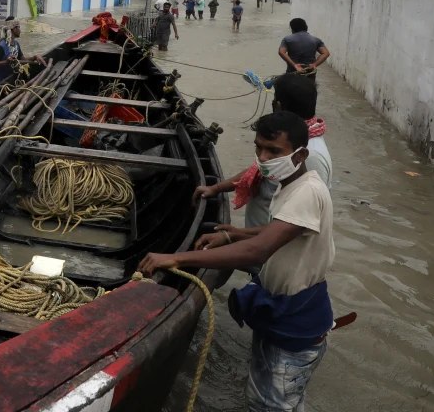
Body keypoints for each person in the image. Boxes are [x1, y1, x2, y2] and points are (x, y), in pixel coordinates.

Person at [140, 111, 335, 412]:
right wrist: (233, 234)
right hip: (281, 313)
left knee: (271, 406)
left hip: (296, 323)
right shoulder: (289, 183)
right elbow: (280, 229)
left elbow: (257, 251)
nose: (262, 157)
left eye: (273, 151)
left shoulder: (308, 191)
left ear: (301, 155)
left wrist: (176, 257)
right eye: (258, 148)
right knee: (271, 401)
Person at [193, 73, 333, 238]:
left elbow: (293, 227)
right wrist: (216, 188)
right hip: (255, 240)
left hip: (270, 249)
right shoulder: (284, 142)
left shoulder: (310, 156)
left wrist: (236, 236)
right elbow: (260, 169)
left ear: (278, 105)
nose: (263, 157)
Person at [0, 17, 42, 85]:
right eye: (19, 27)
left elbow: (22, 59)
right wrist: (6, 62)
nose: (20, 30)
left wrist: (34, 57)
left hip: (6, 80)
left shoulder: (16, 44)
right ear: (14, 29)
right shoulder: (0, 46)